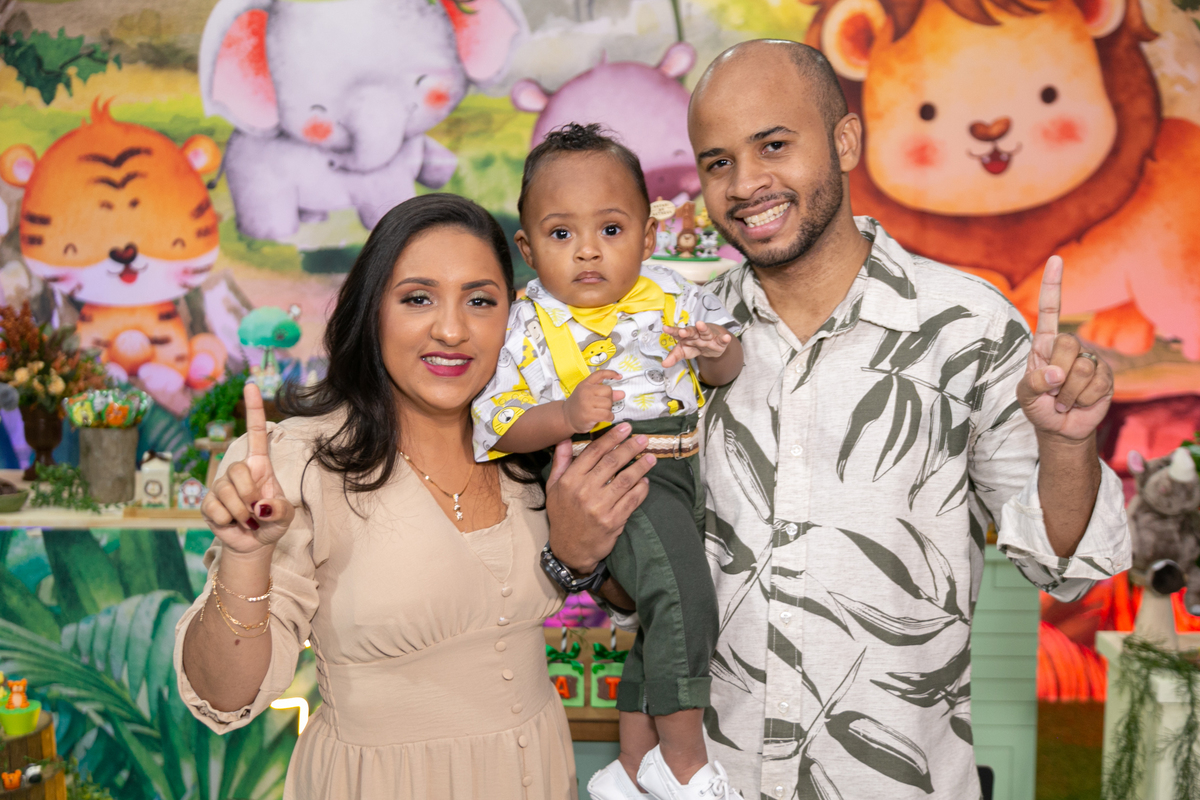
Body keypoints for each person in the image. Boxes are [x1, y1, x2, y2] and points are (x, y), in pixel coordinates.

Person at [551, 40, 1131, 799]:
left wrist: (1066, 446)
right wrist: (585, 553)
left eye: (774, 145)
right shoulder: (672, 337)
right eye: (718, 162)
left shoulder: (969, 328)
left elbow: (1066, 569)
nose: (745, 184)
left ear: (846, 141)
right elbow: (645, 585)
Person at [173, 193, 658, 800]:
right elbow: (225, 696)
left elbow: (644, 598)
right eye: (418, 298)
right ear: (371, 311)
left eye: (480, 301)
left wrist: (581, 561)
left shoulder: (537, 441)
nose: (451, 330)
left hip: (536, 774)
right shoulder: (300, 463)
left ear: (514, 316)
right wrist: (246, 558)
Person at [471, 123, 745, 800]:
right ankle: (685, 765)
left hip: (682, 469)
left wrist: (717, 351)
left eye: (612, 229)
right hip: (619, 472)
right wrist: (565, 415)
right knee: (685, 599)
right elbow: (498, 423)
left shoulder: (673, 292)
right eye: (562, 233)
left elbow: (727, 368)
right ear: (528, 249)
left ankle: (630, 765)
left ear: (648, 238)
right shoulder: (528, 323)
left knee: (659, 615)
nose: (588, 249)